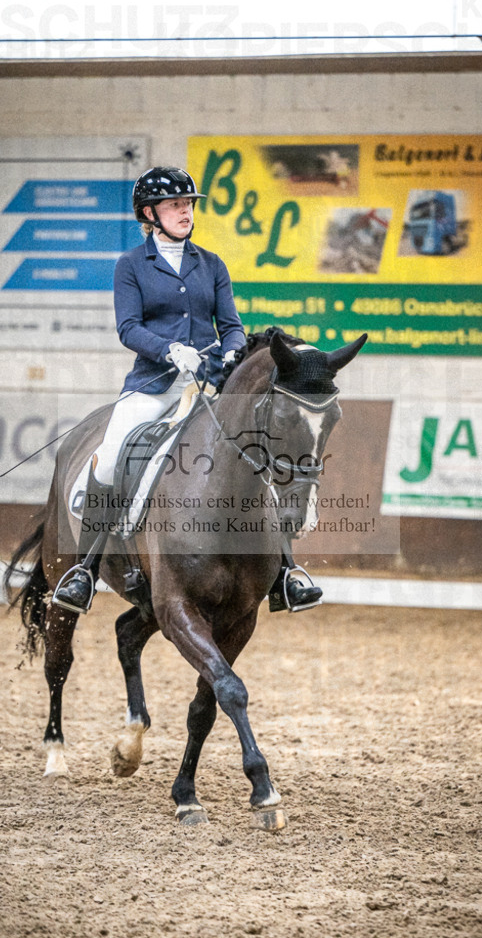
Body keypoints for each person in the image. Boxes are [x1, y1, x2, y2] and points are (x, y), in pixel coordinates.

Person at [53, 166, 322, 615]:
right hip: (153, 385)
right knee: (113, 455)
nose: (185, 212)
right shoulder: (131, 266)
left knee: (255, 453)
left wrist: (231, 354)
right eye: (175, 205)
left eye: (189, 204)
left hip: (208, 385)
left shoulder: (211, 263)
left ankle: (286, 573)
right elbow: (128, 328)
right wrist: (170, 350)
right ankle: (85, 567)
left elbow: (232, 326)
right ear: (149, 213)